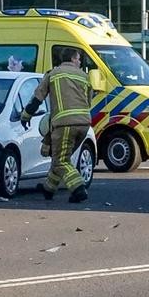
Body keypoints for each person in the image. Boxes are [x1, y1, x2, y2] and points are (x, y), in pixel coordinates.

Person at [21, 48, 93, 203]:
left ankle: (78, 188)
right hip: (84, 124)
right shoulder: (84, 77)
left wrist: (26, 115)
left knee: (61, 161)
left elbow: (37, 98)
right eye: (79, 59)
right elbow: (89, 101)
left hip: (64, 124)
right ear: (73, 59)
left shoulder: (53, 74)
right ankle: (48, 189)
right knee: (60, 157)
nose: (79, 62)